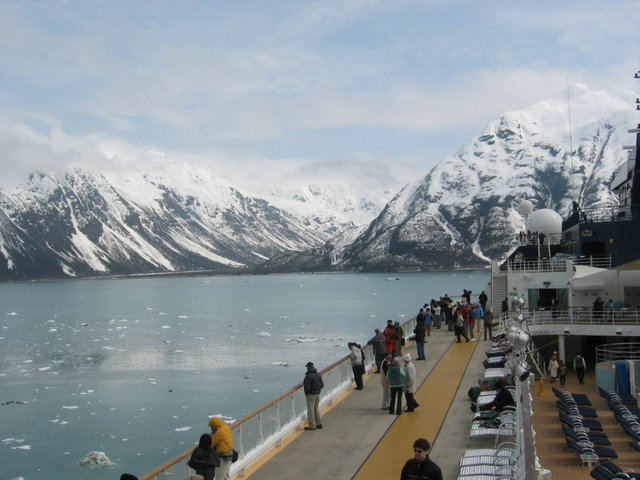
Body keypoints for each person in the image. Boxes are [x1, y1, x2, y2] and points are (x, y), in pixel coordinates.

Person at [303, 361, 324, 430]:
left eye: (307, 367)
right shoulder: (318, 374)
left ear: (308, 367)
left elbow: (307, 387)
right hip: (317, 394)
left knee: (310, 410)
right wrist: (317, 390)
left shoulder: (308, 376)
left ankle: (312, 425)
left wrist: (307, 393)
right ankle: (319, 423)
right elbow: (322, 385)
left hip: (311, 395)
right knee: (316, 409)